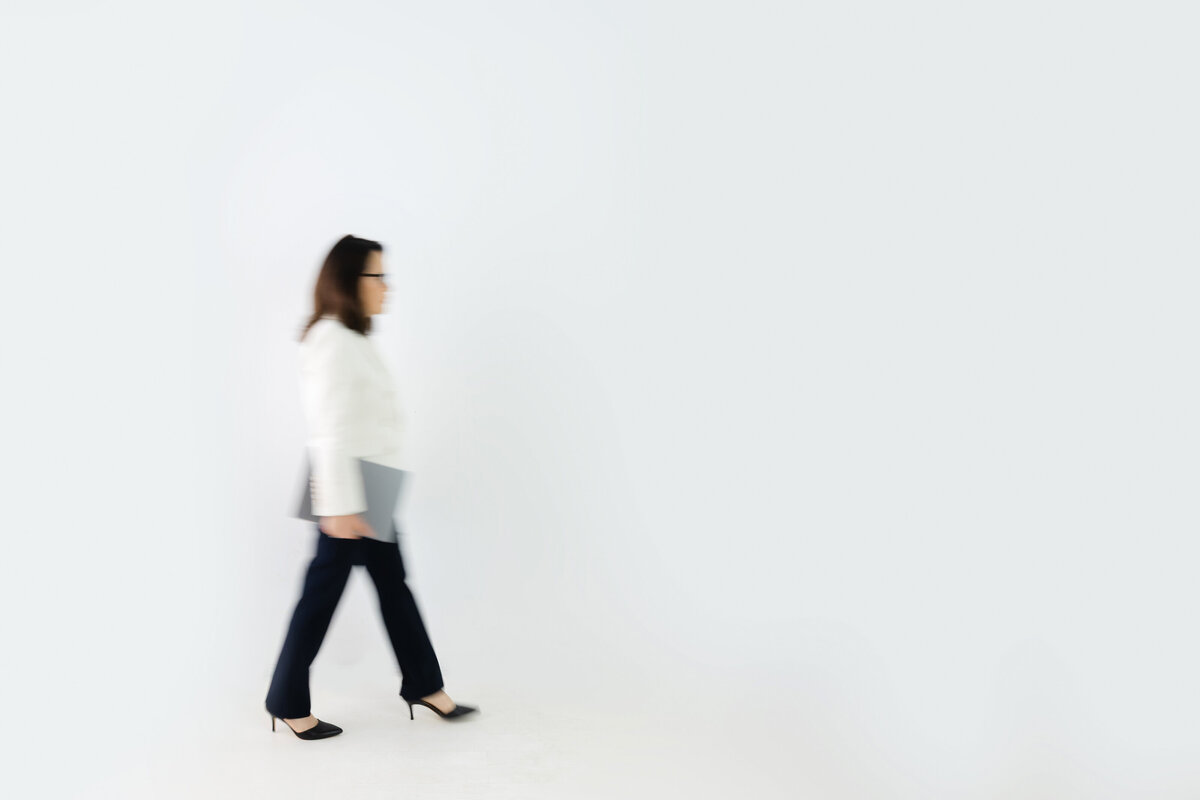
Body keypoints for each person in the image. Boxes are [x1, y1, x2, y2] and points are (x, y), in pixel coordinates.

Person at [264, 234, 478, 739]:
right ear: (348, 281)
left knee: (393, 589)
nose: (387, 286)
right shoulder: (332, 339)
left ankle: (424, 684)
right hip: (346, 488)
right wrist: (336, 505)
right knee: (320, 597)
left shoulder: (353, 337)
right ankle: (287, 701)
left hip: (372, 483)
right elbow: (329, 427)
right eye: (377, 276)